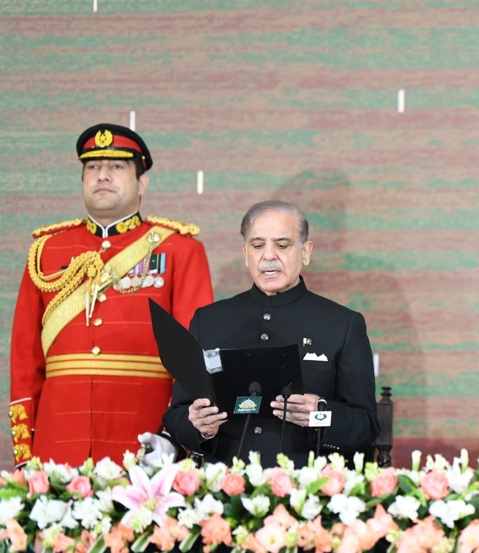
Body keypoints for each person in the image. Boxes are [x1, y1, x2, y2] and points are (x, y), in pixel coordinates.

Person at [8, 123, 213, 467]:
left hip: (146, 440)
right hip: (57, 444)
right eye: (92, 167)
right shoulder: (46, 251)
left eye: (116, 167)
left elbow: (195, 356)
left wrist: (175, 438)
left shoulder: (179, 249)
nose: (102, 175)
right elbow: (26, 361)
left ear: (141, 183)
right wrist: (26, 453)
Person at [162, 200, 378, 466]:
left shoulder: (342, 324)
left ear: (306, 252)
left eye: (282, 245)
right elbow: (176, 417)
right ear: (245, 253)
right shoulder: (208, 321)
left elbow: (366, 426)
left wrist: (319, 414)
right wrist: (200, 426)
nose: (268, 256)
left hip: (306, 491)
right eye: (257, 245)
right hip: (224, 491)